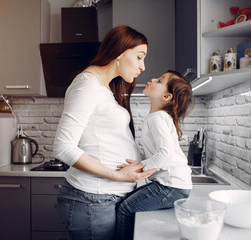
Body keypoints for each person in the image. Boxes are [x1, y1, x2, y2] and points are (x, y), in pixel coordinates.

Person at [54, 25, 157, 240]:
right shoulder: (87, 85)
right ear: (120, 52)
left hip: (104, 199)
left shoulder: (105, 88)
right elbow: (63, 147)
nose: (143, 66)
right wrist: (118, 175)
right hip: (92, 199)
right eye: (139, 57)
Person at [116, 70, 194, 240]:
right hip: (175, 186)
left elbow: (165, 154)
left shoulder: (157, 118)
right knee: (128, 202)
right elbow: (158, 152)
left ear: (167, 96)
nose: (152, 79)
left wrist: (139, 167)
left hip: (171, 187)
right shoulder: (159, 117)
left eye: (159, 80)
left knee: (124, 208)